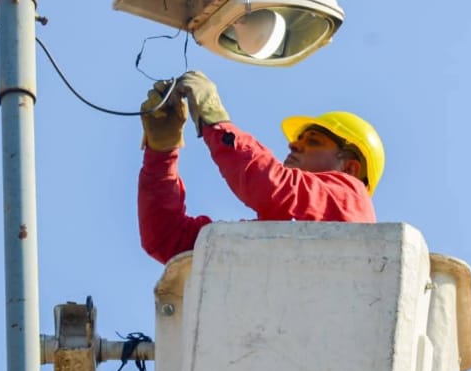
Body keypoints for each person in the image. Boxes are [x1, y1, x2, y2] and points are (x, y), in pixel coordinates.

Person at [137, 70, 384, 264]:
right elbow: (166, 238)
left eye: (313, 142)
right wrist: (161, 153)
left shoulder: (350, 201)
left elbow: (271, 186)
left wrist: (215, 120)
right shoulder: (278, 237)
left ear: (350, 169)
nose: (293, 145)